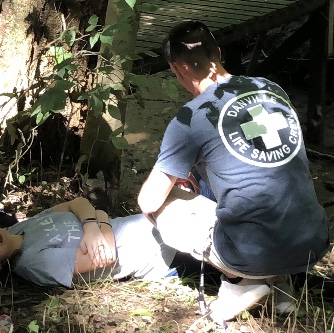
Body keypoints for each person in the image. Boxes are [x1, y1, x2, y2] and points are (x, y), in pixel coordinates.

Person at [137, 20, 330, 325]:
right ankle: (282, 287)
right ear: (219, 53)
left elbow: (148, 202)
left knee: (161, 203)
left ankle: (241, 285)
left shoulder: (190, 117)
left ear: (179, 68)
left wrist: (172, 180)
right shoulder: (271, 88)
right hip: (313, 241)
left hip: (249, 254)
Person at [0, 197, 178, 288]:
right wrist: (101, 218)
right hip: (163, 253)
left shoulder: (18, 229)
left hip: (154, 221)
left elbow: (76, 202)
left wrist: (92, 226)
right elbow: (105, 256)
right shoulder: (32, 262)